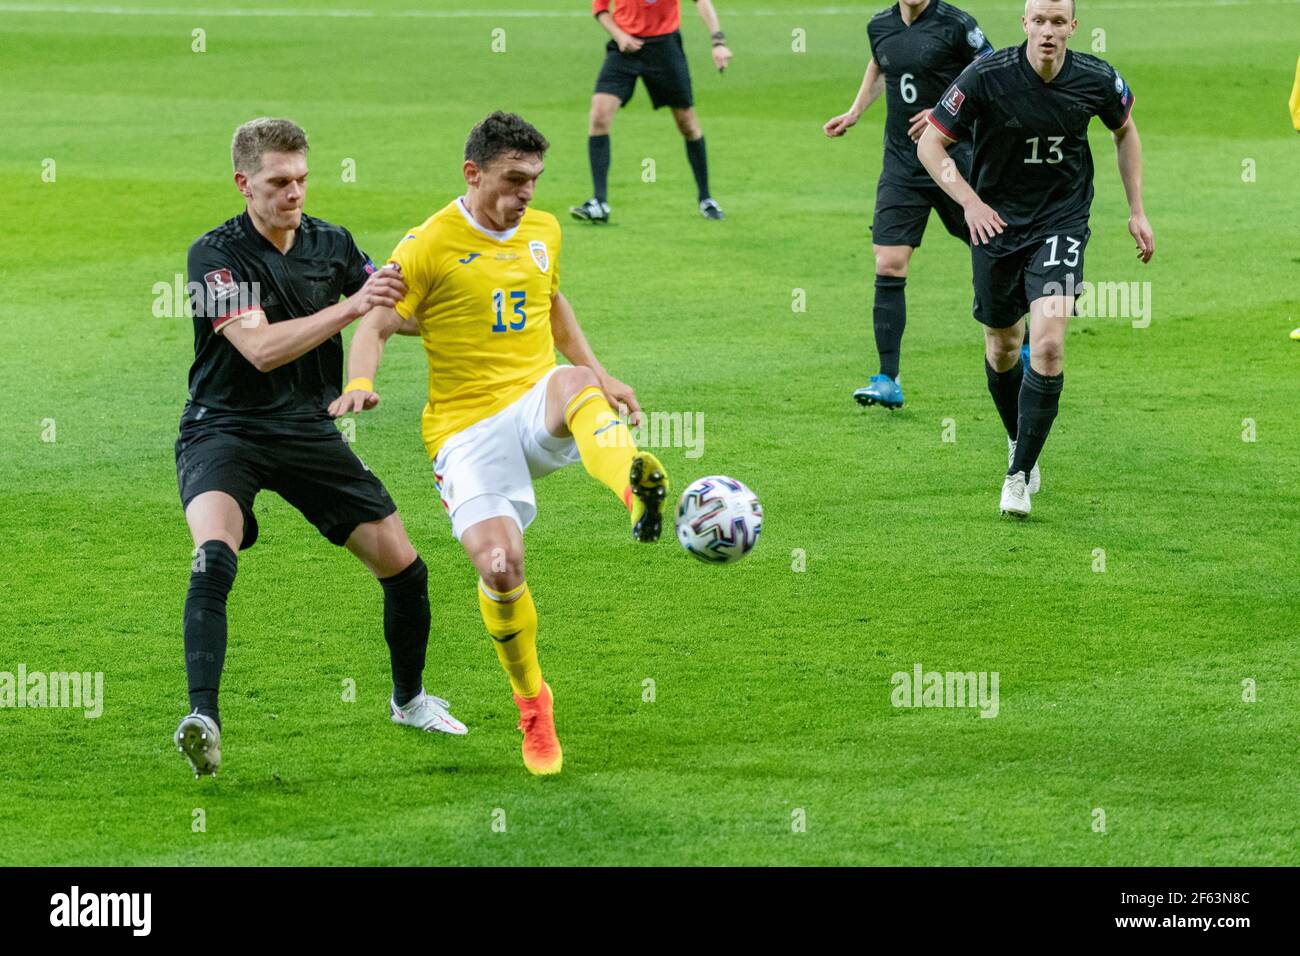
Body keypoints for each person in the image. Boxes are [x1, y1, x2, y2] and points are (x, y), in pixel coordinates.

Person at [331, 112, 669, 776]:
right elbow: (375, 322)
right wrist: (360, 380)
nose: (526, 196)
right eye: (514, 181)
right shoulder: (428, 243)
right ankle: (533, 706)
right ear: (473, 174)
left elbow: (551, 303)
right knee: (500, 568)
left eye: (535, 182)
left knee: (572, 383)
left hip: (533, 401)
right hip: (464, 431)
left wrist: (601, 372)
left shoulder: (543, 230)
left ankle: (634, 486)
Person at [174, 118, 467, 778]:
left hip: (308, 431)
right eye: (280, 182)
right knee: (213, 555)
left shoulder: (330, 242)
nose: (295, 193)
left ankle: (409, 699)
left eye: (303, 179)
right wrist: (354, 305)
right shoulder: (213, 257)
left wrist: (451, 289)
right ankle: (203, 720)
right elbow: (259, 347)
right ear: (243, 183)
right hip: (224, 429)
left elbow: (397, 311)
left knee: (406, 570)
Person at [918, 0, 1154, 517]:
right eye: (1039, 21)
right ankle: (1017, 437)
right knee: (1004, 348)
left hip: (1061, 223)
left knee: (1047, 346)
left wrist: (1136, 210)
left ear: (1073, 26)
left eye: (1057, 22)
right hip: (996, 225)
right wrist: (971, 202)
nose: (1048, 32)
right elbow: (932, 144)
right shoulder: (986, 75)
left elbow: (1124, 130)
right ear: (1024, 24)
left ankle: (1018, 475)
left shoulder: (1096, 78)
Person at [824, 0, 993, 409]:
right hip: (902, 165)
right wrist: (855, 112)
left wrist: (943, 113)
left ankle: (1016, 340)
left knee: (988, 242)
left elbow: (990, 72)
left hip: (954, 160)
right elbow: (881, 66)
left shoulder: (957, 25)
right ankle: (888, 378)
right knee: (888, 262)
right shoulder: (879, 25)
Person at [570, 0, 732, 223]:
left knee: (688, 125)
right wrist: (618, 35)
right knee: (598, 117)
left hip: (665, 48)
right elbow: (600, 8)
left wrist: (718, 42)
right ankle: (599, 202)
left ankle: (706, 199)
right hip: (625, 47)